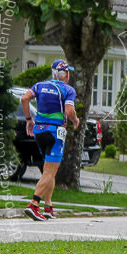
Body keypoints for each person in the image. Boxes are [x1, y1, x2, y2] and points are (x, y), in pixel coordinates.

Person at [20, 59, 80, 221]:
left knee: (48, 169)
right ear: (66, 74)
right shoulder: (67, 89)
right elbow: (69, 111)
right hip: (55, 133)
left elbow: (25, 99)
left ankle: (48, 206)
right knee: (50, 171)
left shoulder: (39, 86)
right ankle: (33, 204)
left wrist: (28, 120)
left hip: (39, 131)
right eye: (68, 72)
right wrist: (75, 120)